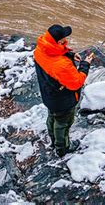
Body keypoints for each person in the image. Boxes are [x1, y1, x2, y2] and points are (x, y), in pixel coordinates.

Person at [33, 24, 94, 157]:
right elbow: (76, 83)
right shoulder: (61, 65)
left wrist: (69, 54)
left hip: (48, 96)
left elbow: (53, 56)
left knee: (52, 117)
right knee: (63, 124)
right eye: (64, 39)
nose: (66, 40)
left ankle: (53, 140)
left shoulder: (39, 49)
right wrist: (85, 65)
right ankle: (62, 148)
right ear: (59, 41)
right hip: (62, 101)